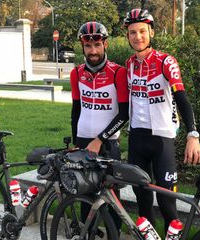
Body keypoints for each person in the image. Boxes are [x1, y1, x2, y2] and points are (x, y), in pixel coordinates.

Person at [123, 9, 200, 232]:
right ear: (127, 36)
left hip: (162, 141)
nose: (137, 36)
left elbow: (182, 98)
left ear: (151, 32)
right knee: (143, 201)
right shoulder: (129, 64)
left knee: (168, 203)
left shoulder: (165, 61)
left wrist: (193, 134)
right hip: (137, 140)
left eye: (142, 31)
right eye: (132, 32)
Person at [70, 21, 129, 233]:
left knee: (112, 198)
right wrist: (76, 142)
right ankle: (88, 234)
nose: (93, 51)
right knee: (85, 195)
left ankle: (115, 234)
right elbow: (76, 111)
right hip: (84, 141)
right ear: (82, 47)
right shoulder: (76, 73)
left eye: (97, 45)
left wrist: (100, 139)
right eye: (88, 46)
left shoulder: (118, 73)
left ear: (105, 45)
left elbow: (124, 114)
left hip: (108, 143)